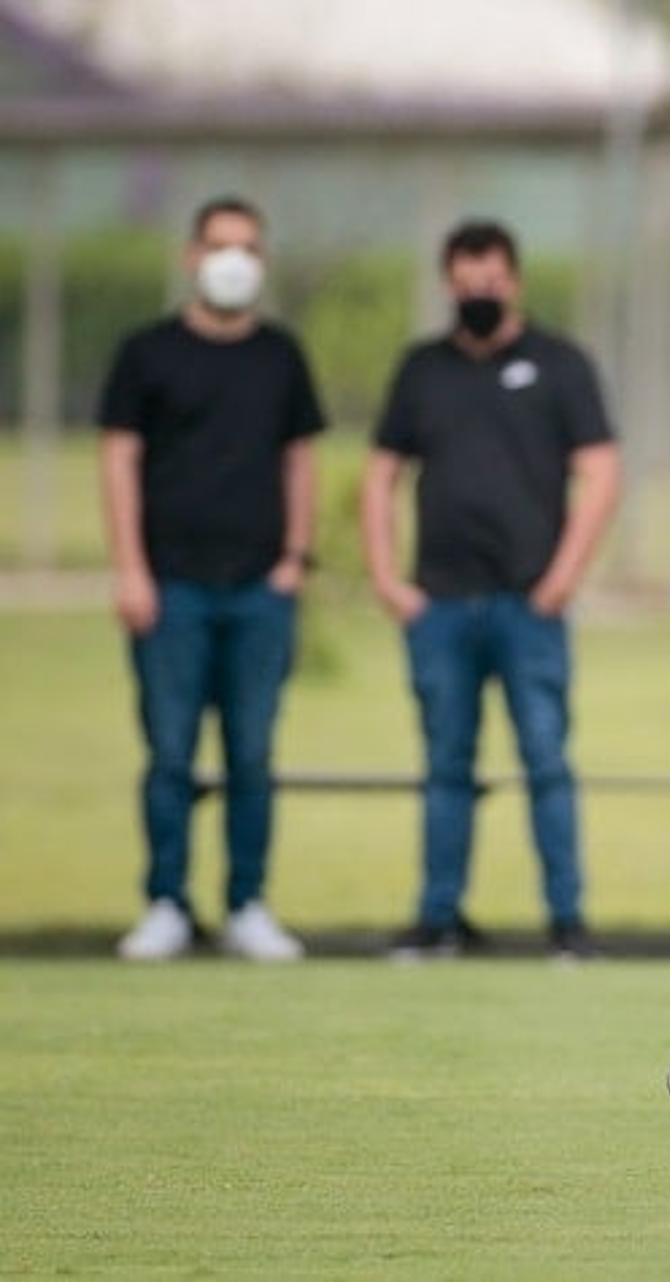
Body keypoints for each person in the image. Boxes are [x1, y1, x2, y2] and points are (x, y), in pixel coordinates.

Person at [361, 220, 621, 960]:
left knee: (546, 759)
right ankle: (437, 919)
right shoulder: (422, 370)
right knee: (446, 765)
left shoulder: (559, 364)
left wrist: (563, 578)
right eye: (467, 279)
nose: (480, 290)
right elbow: (380, 476)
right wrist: (387, 579)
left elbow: (602, 473)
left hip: (528, 607)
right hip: (438, 604)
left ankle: (567, 924)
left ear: (514, 280)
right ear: (449, 282)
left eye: (493, 278)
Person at [99, 195, 324, 963]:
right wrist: (131, 568)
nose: (234, 260)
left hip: (260, 588)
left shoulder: (281, 356)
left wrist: (295, 557)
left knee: (253, 753)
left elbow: (300, 458)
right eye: (221, 245)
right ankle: (165, 900)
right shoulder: (146, 353)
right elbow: (119, 460)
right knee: (168, 751)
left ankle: (247, 904)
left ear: (262, 261)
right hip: (170, 587)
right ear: (192, 256)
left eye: (249, 247)